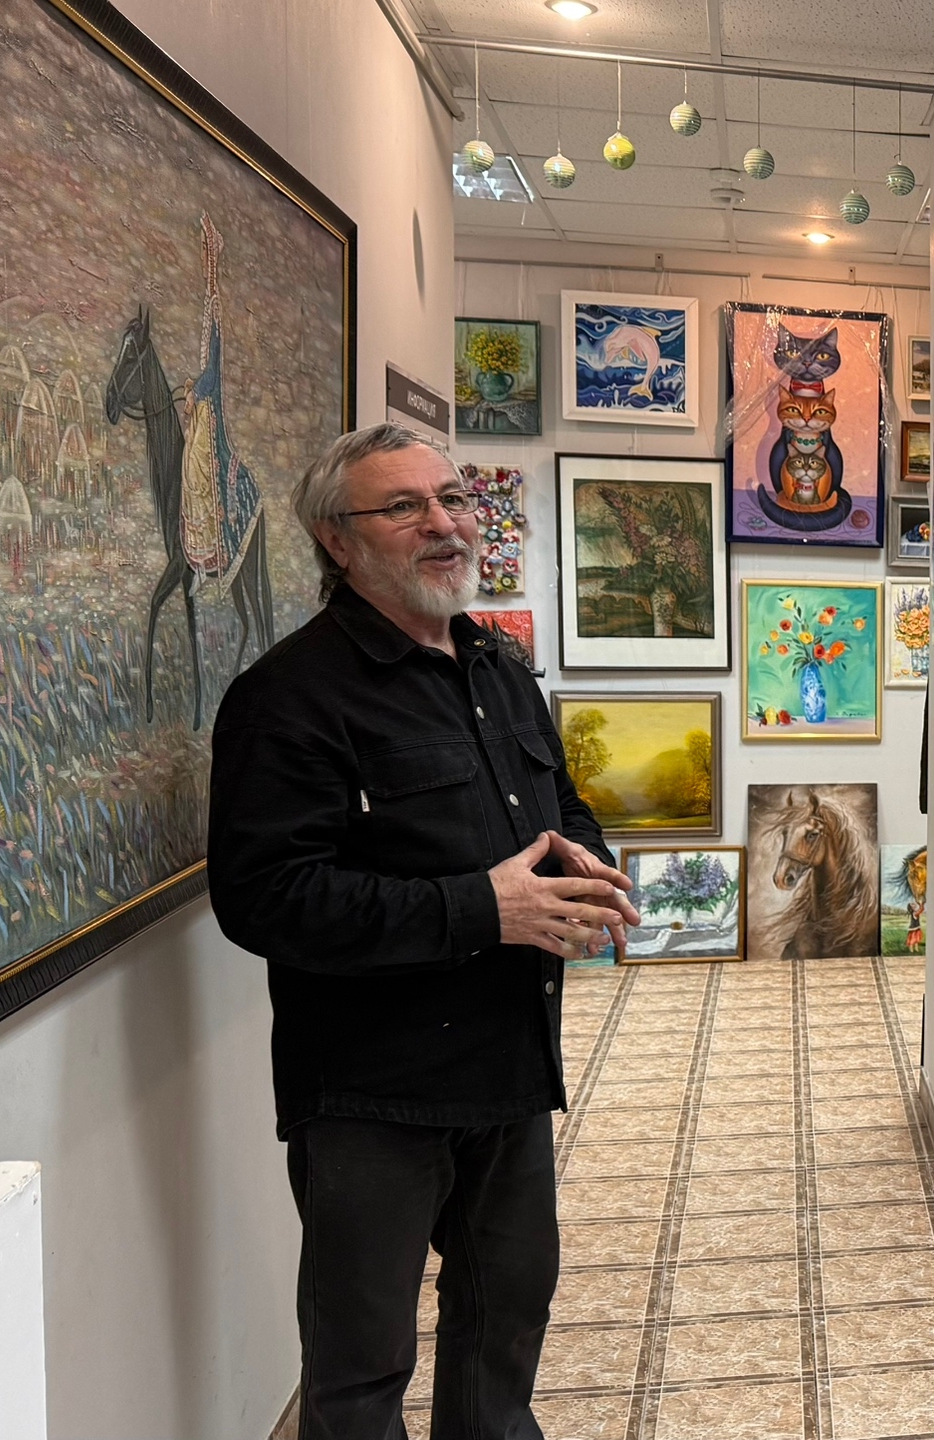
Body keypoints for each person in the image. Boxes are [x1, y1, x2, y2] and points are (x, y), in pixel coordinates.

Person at [208, 423, 642, 1439]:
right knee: (361, 1365)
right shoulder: (287, 697)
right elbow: (265, 897)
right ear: (337, 539)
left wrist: (581, 867)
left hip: (510, 1066)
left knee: (505, 1321)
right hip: (372, 1089)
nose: (444, 524)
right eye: (403, 506)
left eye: (453, 498)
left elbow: (560, 806)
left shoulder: (495, 665)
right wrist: (486, 908)